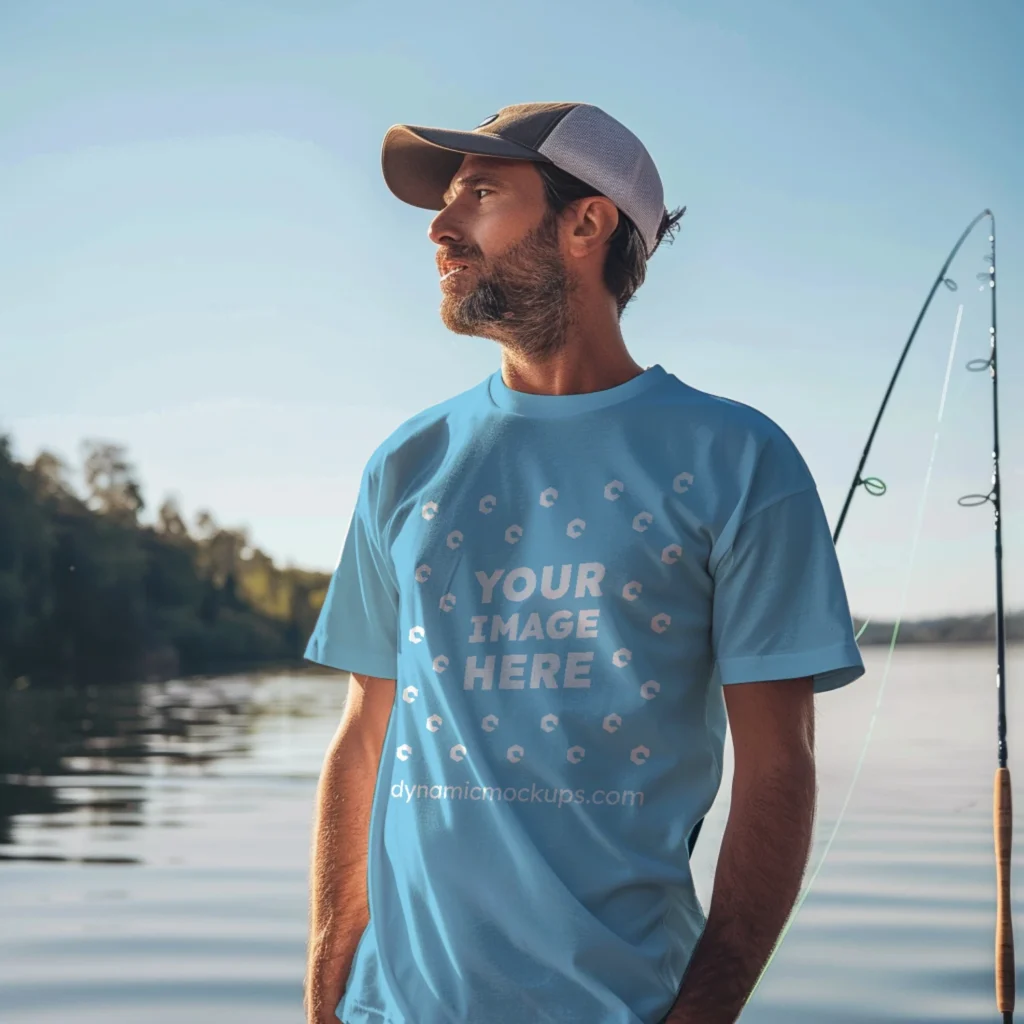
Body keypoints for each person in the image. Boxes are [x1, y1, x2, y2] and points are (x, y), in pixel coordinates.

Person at [303, 101, 865, 1024]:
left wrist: (704, 1011)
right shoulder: (405, 463)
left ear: (586, 222)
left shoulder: (738, 460)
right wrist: (327, 991)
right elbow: (367, 736)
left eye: (480, 194)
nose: (441, 227)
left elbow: (780, 765)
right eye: (445, 202)